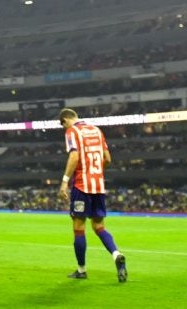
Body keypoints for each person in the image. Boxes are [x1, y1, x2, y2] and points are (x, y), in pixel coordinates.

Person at [57, 108, 127, 283]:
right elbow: (108, 159)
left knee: (79, 228)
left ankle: (81, 270)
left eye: (63, 125)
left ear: (66, 120)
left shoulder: (73, 131)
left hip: (82, 186)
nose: (64, 128)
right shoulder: (96, 130)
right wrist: (95, 172)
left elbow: (74, 156)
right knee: (99, 227)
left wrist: (65, 181)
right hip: (98, 186)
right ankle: (116, 254)